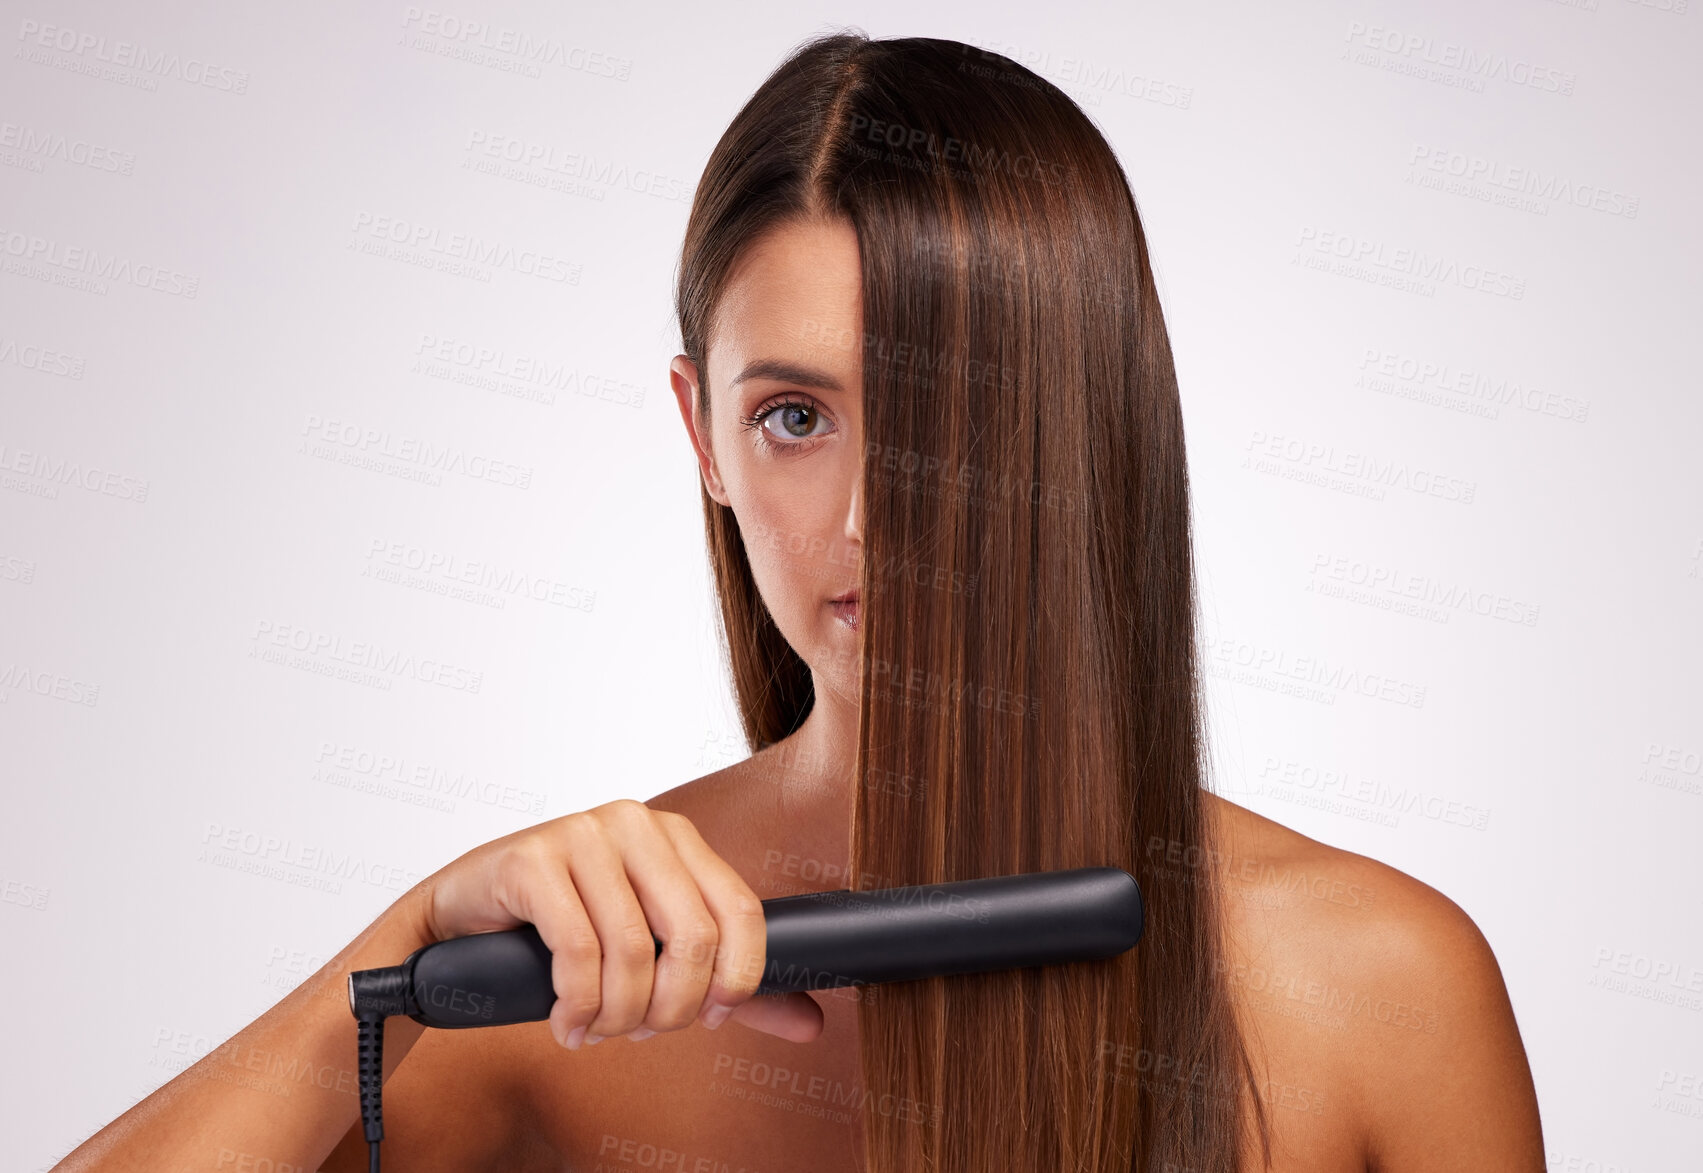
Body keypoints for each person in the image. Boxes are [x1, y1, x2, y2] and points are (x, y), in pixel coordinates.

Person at [50, 31, 1544, 1173]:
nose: (873, 515)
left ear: (1092, 428)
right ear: (702, 432)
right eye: (796, 417)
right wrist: (393, 966)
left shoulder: (1376, 986)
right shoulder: (564, 1002)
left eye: (954, 411)